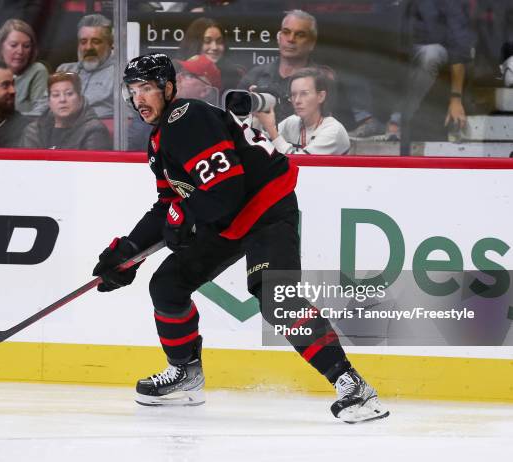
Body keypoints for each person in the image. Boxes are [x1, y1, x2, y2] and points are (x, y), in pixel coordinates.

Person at [92, 52, 389, 423]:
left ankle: (353, 386)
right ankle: (185, 373)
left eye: (148, 88)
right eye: (133, 90)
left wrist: (183, 215)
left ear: (168, 89)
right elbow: (170, 202)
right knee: (167, 285)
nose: (139, 99)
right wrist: (128, 250)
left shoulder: (187, 119)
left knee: (275, 299)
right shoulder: (158, 141)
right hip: (226, 216)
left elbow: (226, 189)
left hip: (265, 209)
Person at [238, 9, 382, 137]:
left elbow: (361, 125)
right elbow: (231, 121)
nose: (291, 39)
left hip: (311, 158)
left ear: (312, 43)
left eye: (300, 34)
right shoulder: (255, 76)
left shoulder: (325, 81)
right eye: (286, 32)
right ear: (279, 37)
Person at [387, 0, 475, 141]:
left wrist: (456, 98)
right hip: (398, 52)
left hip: (434, 52)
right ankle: (367, 117)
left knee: (431, 55)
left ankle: (400, 117)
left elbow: (459, 47)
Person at [254, 67, 350, 155]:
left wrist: (271, 129)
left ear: (321, 96)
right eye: (293, 94)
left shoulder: (333, 130)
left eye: (304, 94)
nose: (297, 101)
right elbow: (259, 146)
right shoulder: (292, 121)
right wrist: (257, 114)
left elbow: (301, 164)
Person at [21, 71, 112, 150]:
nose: (62, 99)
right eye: (56, 95)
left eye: (69, 94)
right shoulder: (34, 131)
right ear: (49, 101)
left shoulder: (94, 130)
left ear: (80, 98)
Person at [56, 14, 115, 119]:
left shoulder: (122, 73)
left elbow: (129, 119)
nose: (88, 47)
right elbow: (42, 107)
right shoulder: (64, 70)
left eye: (96, 41)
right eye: (83, 42)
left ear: (110, 44)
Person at [177, 17, 244, 93]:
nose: (214, 47)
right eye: (207, 41)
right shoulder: (175, 71)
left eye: (219, 41)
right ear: (194, 43)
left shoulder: (234, 76)